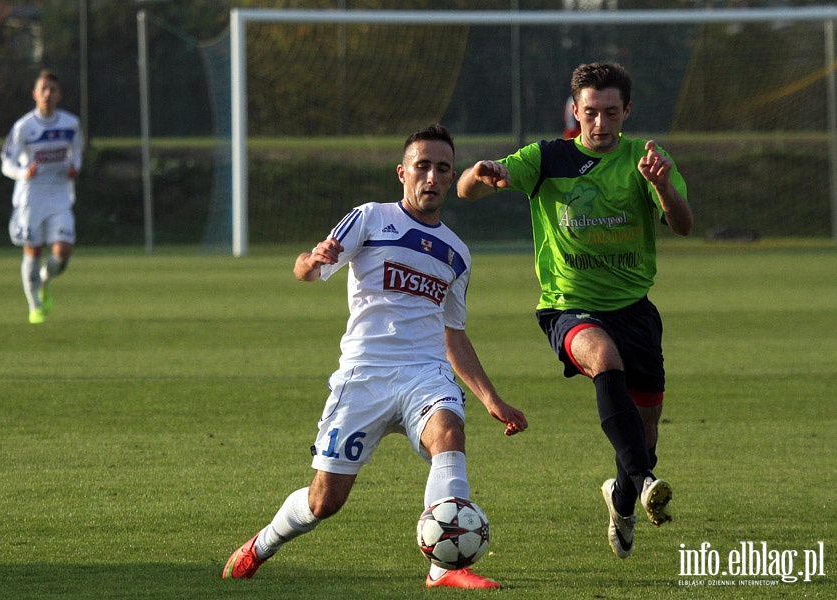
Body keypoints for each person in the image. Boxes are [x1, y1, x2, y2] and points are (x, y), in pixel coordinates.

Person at [222, 124, 528, 589]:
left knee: (448, 433)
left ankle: (445, 567)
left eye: (442, 169)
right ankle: (262, 543)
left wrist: (491, 399)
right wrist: (313, 257)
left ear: (450, 179)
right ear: (402, 172)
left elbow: (455, 336)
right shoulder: (370, 218)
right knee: (325, 502)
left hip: (425, 373)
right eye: (422, 166)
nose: (431, 176)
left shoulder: (457, 254)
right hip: (363, 375)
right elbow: (305, 270)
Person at [456, 62, 693, 560]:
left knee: (645, 435)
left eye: (611, 112)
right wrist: (481, 174)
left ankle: (623, 497)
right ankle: (645, 480)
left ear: (627, 110)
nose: (601, 123)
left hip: (636, 310)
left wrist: (665, 187)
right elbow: (467, 190)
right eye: (591, 113)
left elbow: (683, 224)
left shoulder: (646, 160)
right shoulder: (547, 157)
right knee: (603, 358)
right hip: (569, 305)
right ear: (575, 111)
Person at [1, 69, 83, 324]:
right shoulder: (24, 127)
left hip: (59, 195)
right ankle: (34, 306)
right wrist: (23, 172)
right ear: (35, 94)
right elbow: (6, 163)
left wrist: (74, 168)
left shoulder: (70, 124)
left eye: (52, 89)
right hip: (31, 197)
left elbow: (77, 152)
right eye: (43, 89)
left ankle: (44, 282)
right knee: (33, 252)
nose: (47, 93)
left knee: (63, 251)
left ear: (59, 94)